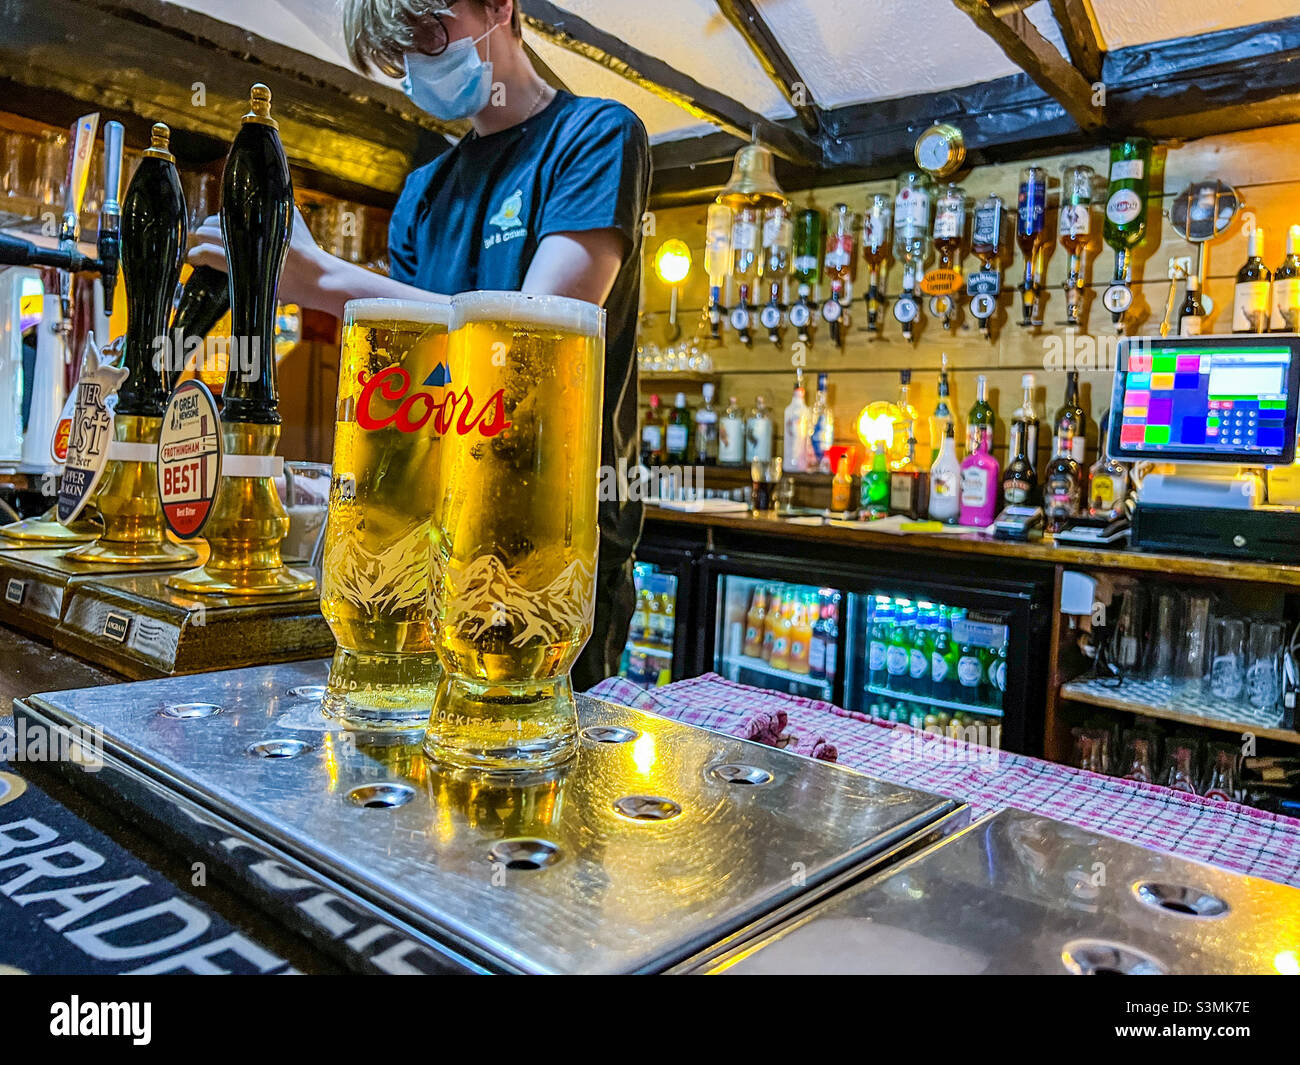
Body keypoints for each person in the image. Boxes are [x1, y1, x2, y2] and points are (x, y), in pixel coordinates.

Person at [189, 0, 650, 689]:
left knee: (535, 763)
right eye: (397, 54)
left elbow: (537, 339)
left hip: (552, 551)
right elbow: (422, 376)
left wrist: (318, 278)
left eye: (427, 33)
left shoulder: (595, 138)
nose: (415, 64)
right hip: (434, 544)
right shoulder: (423, 193)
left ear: (499, 7)